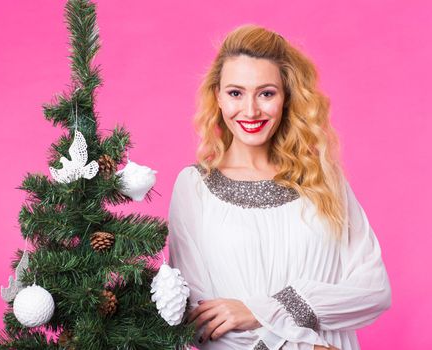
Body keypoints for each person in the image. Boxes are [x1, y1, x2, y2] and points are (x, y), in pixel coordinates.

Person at [167, 24, 392, 350]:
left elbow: (374, 291)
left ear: (286, 97)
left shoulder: (323, 179)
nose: (251, 110)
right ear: (217, 96)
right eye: (235, 93)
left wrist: (265, 309)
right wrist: (304, 347)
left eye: (266, 93)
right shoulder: (194, 187)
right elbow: (201, 319)